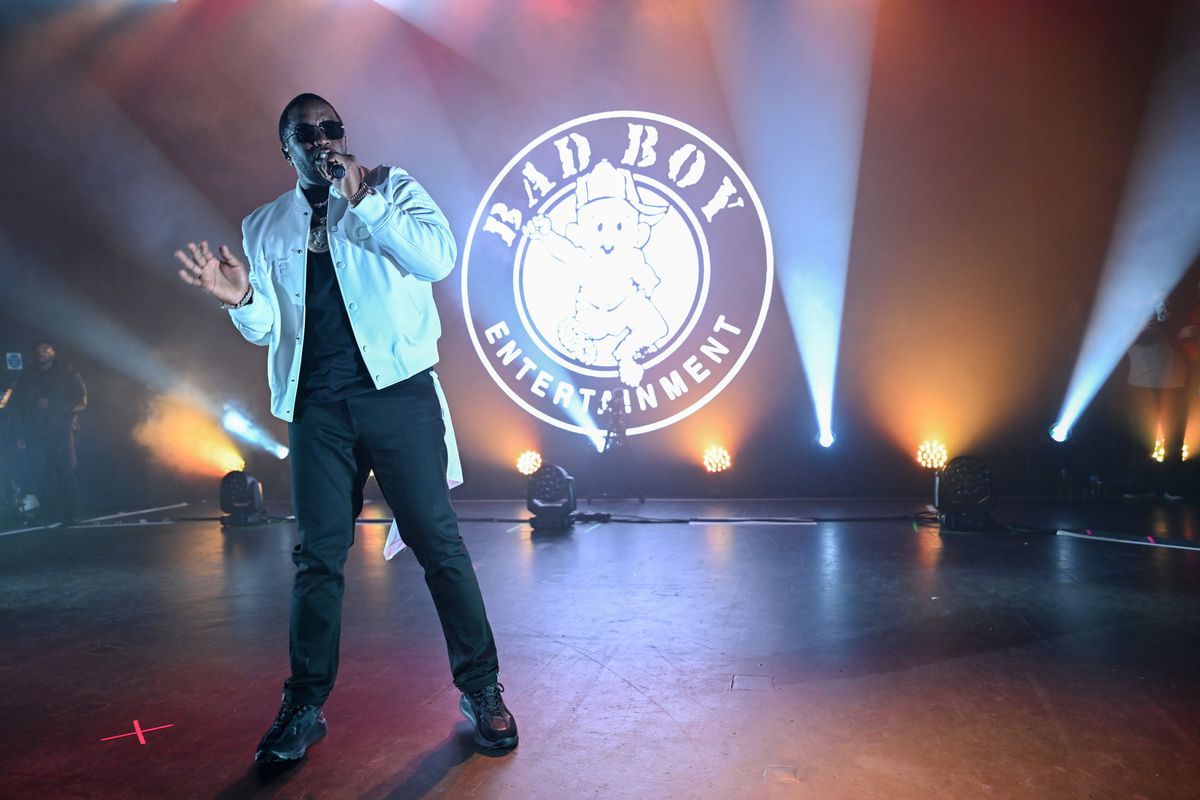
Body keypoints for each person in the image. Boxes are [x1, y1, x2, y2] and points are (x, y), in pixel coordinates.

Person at [174, 93, 516, 763]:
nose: (322, 139)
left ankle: (482, 689)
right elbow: (269, 328)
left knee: (437, 542)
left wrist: (367, 200)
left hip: (398, 394)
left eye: (331, 128)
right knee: (316, 559)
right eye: (307, 133)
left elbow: (437, 259)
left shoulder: (391, 187)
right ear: (288, 149)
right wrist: (241, 298)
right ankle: (304, 706)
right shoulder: (264, 225)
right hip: (317, 410)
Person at [11, 341, 87, 524]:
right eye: (38, 350)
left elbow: (81, 400)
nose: (41, 353)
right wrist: (20, 433)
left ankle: (72, 513)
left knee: (65, 471)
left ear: (53, 352)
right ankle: (50, 513)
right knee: (42, 474)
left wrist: (55, 407)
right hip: (35, 433)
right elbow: (19, 407)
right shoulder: (28, 376)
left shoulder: (67, 374)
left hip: (59, 430)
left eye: (46, 350)